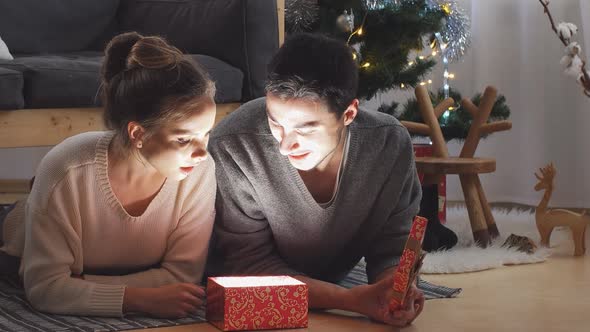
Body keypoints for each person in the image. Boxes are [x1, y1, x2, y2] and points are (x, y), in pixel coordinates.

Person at [207, 33, 424, 327]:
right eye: (275, 123)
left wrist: (395, 291)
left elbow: (393, 247)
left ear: (348, 114)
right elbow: (247, 265)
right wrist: (351, 300)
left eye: (306, 129)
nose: (285, 146)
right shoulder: (236, 145)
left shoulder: (389, 144)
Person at [0, 32, 217, 318]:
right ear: (138, 133)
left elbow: (182, 277)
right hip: (16, 249)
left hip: (83, 270)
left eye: (206, 134)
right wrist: (141, 299)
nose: (201, 152)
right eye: (183, 140)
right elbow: (44, 288)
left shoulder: (199, 171)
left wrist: (83, 286)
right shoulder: (68, 168)